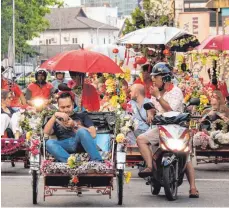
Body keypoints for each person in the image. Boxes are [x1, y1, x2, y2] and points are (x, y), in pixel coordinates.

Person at [137, 62, 199, 198]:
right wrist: (150, 114)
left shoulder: (176, 91)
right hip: (161, 127)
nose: (153, 80)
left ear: (165, 78)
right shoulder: (155, 92)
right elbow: (152, 108)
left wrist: (158, 97)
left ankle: (193, 187)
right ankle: (150, 166)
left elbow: (171, 110)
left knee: (186, 154)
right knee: (141, 139)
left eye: (156, 77)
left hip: (178, 127)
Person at [44, 92, 102, 162]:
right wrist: (54, 116)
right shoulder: (55, 119)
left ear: (73, 105)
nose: (66, 110)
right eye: (62, 107)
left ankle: (98, 162)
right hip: (64, 145)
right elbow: (46, 132)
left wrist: (75, 125)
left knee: (82, 131)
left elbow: (93, 134)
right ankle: (72, 162)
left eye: (68, 106)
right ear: (58, 107)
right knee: (49, 143)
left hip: (80, 143)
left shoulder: (82, 115)